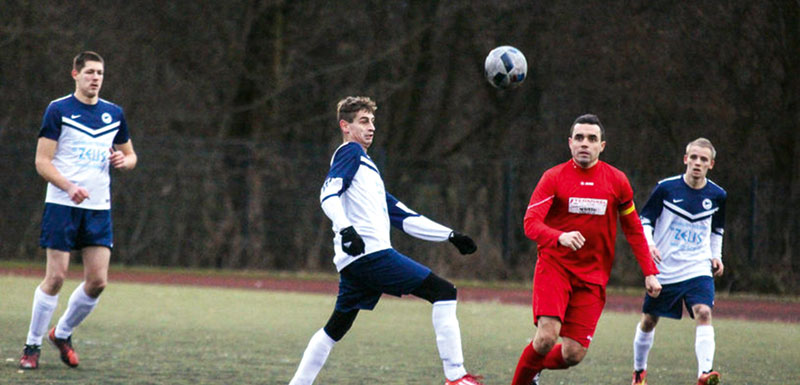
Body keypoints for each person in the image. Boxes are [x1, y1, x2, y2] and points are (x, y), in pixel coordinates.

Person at [288, 96, 484, 385]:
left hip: (357, 263)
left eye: (373, 122)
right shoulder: (350, 153)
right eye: (364, 121)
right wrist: (346, 229)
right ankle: (456, 377)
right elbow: (327, 195)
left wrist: (450, 235)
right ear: (345, 126)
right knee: (443, 292)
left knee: (334, 329)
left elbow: (404, 216)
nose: (371, 128)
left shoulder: (367, 171)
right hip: (371, 256)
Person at [511, 114, 662, 385]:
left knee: (573, 354)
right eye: (579, 138)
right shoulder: (553, 177)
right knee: (546, 337)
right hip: (555, 267)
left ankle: (532, 368)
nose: (585, 143)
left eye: (592, 139)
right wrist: (560, 237)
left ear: (602, 146)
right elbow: (530, 223)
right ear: (569, 143)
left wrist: (650, 272)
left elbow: (633, 228)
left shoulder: (617, 181)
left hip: (592, 276)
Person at [19, 51, 138, 370]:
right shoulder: (58, 110)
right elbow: (42, 162)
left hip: (99, 208)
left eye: (100, 72)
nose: (95, 77)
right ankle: (32, 345)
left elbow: (130, 155)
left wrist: (123, 162)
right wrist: (69, 187)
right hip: (62, 205)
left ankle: (63, 333)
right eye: (89, 72)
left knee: (98, 281)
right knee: (55, 277)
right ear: (75, 74)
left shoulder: (114, 113)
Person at [630, 138, 726, 385]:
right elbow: (645, 220)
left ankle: (704, 373)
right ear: (685, 159)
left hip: (697, 266)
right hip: (665, 268)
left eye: (703, 159)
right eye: (693, 157)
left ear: (711, 164)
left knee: (704, 312)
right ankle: (639, 372)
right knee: (649, 320)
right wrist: (649, 245)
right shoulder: (665, 188)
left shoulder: (718, 195)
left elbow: (717, 231)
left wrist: (717, 256)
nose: (697, 163)